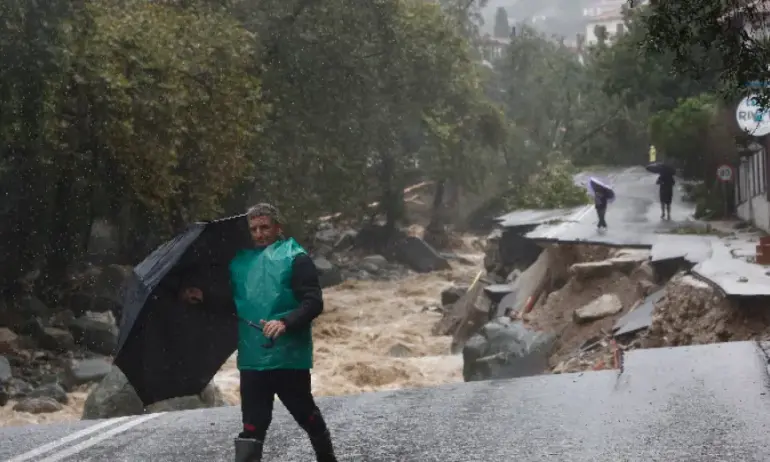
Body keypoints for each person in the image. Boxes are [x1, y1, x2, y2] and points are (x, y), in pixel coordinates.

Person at [181, 203, 337, 462]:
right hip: (253, 357)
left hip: (288, 356)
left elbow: (313, 301)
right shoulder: (241, 262)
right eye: (254, 229)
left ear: (278, 228)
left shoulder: (296, 258)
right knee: (253, 425)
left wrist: (285, 322)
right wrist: (204, 297)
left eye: (265, 227)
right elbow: (237, 303)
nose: (260, 233)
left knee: (305, 414)